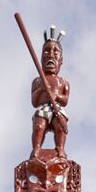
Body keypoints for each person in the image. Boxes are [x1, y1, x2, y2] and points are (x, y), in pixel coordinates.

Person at [31, 29, 69, 158]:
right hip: (43, 108)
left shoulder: (63, 82)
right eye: (46, 52)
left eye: (55, 52)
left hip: (57, 108)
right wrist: (42, 89)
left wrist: (57, 96)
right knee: (39, 126)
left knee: (60, 126)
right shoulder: (37, 81)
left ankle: (60, 148)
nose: (51, 55)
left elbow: (65, 100)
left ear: (61, 60)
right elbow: (34, 102)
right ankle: (36, 148)